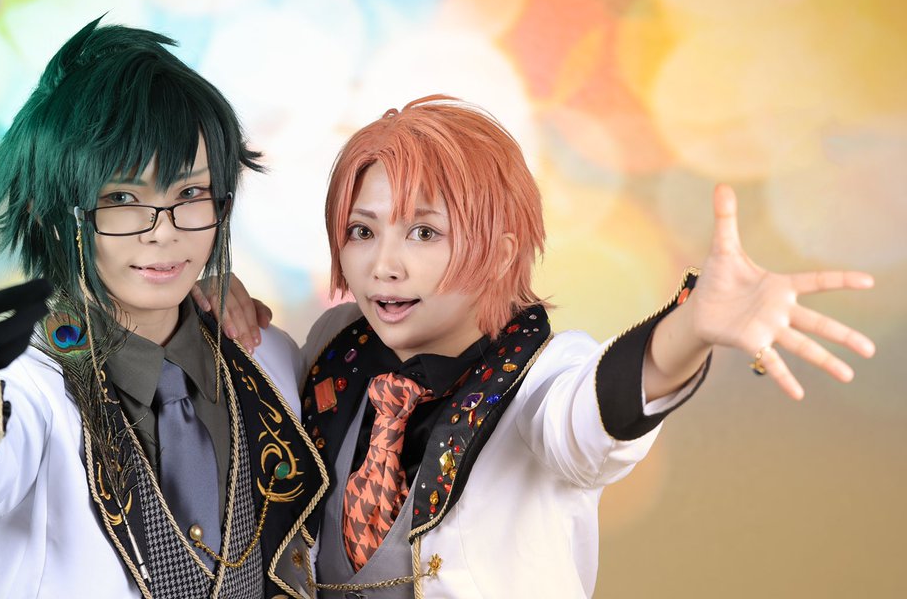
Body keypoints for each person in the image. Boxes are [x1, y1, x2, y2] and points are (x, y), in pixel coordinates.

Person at [219, 95, 874, 598]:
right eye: (362, 231)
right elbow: (262, 384)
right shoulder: (338, 345)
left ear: (501, 250)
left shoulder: (543, 375)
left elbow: (591, 417)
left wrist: (691, 327)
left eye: (424, 233)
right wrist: (206, 293)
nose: (382, 266)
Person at [0, 18, 327, 599]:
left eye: (190, 193)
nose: (163, 232)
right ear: (48, 213)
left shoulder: (266, 356)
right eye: (123, 198)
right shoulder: (24, 386)